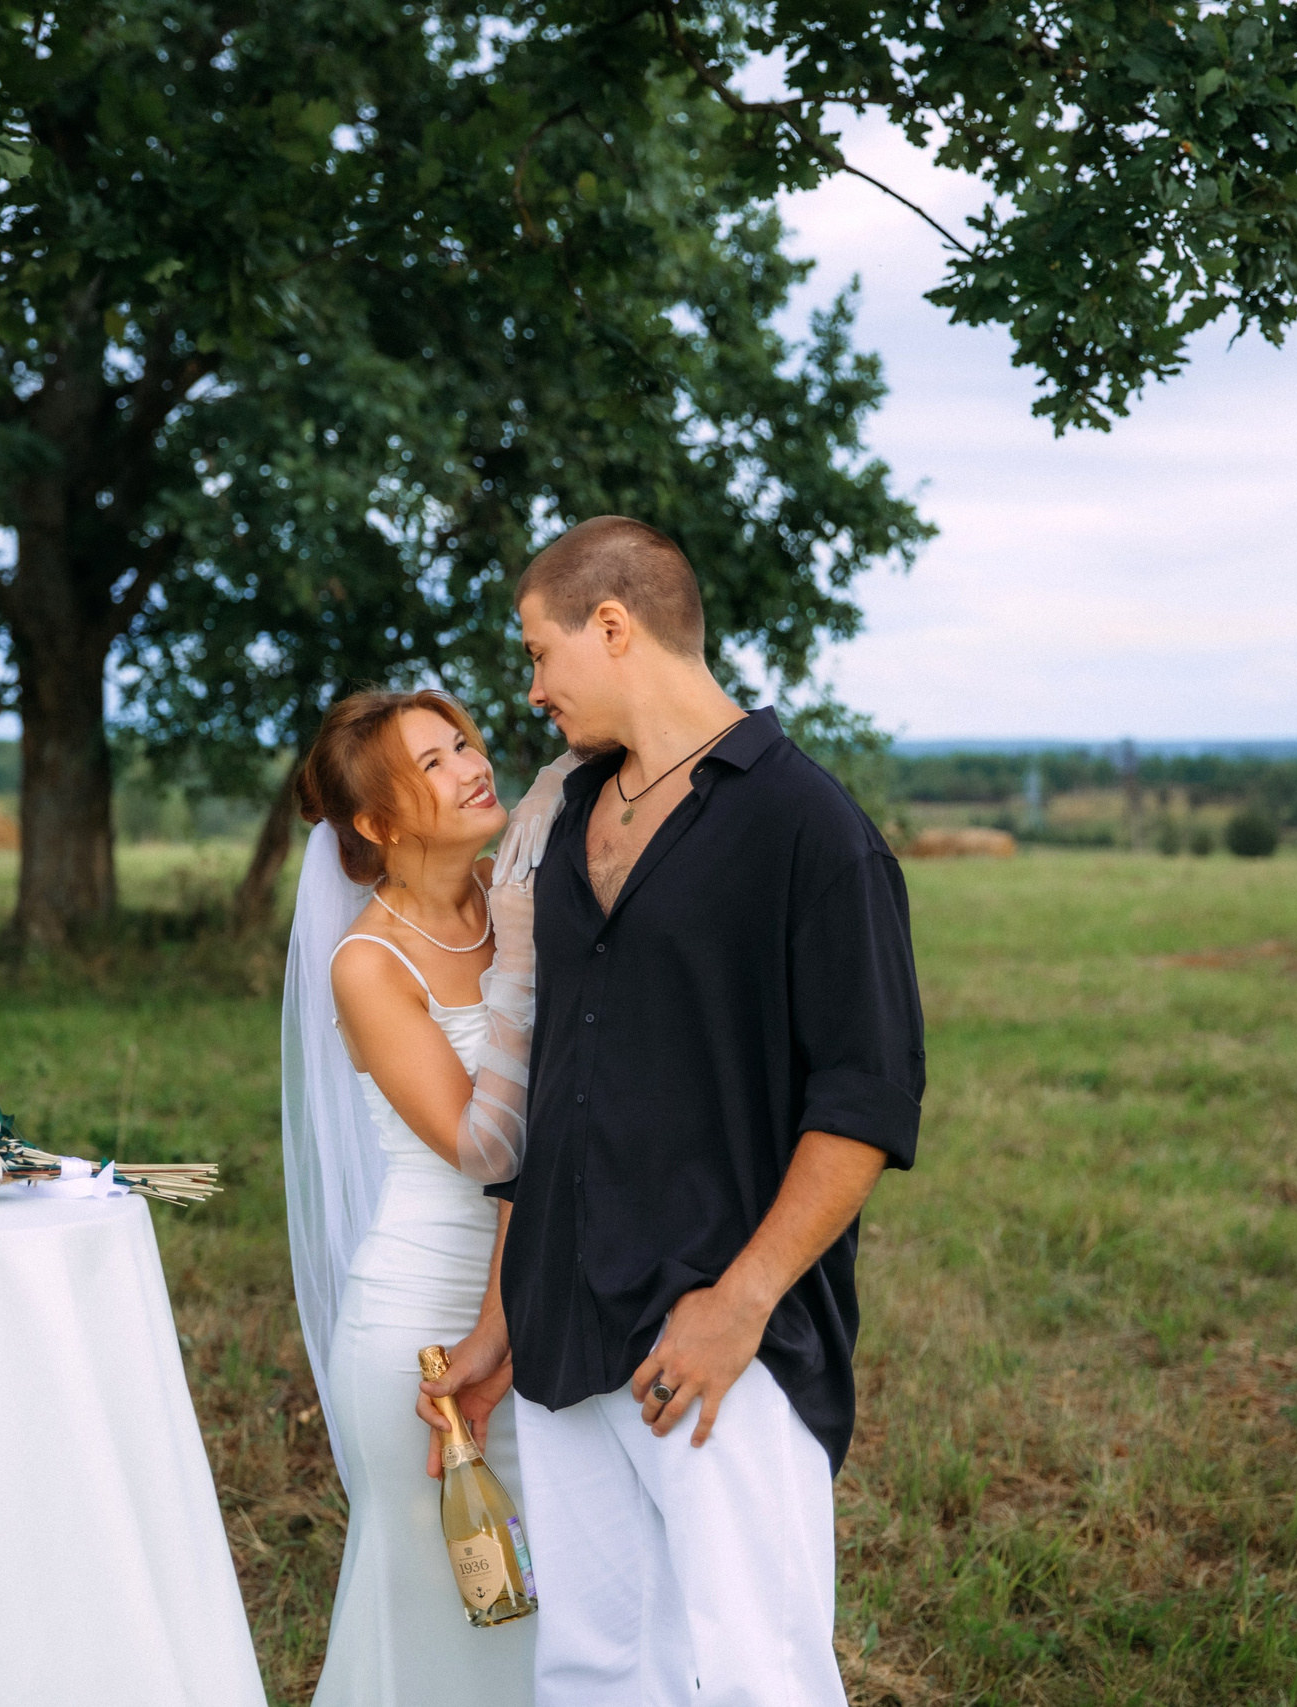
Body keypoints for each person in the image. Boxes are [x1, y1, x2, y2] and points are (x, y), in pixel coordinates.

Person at [421, 516, 927, 1707]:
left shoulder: (811, 832)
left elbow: (864, 1102)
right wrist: (504, 1314)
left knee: (760, 1676)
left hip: (716, 1340)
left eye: (540, 652)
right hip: (562, 1322)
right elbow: (545, 1084)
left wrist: (738, 1304)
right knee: (595, 1670)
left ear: (613, 625)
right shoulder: (562, 816)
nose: (532, 687)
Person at [281, 689, 545, 1707]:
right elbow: (489, 1143)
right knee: (441, 1601)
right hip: (425, 1318)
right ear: (375, 824)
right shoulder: (367, 965)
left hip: (537, 1302)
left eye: (464, 743)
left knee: (550, 1599)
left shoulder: (519, 894)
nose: (472, 766)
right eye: (430, 764)